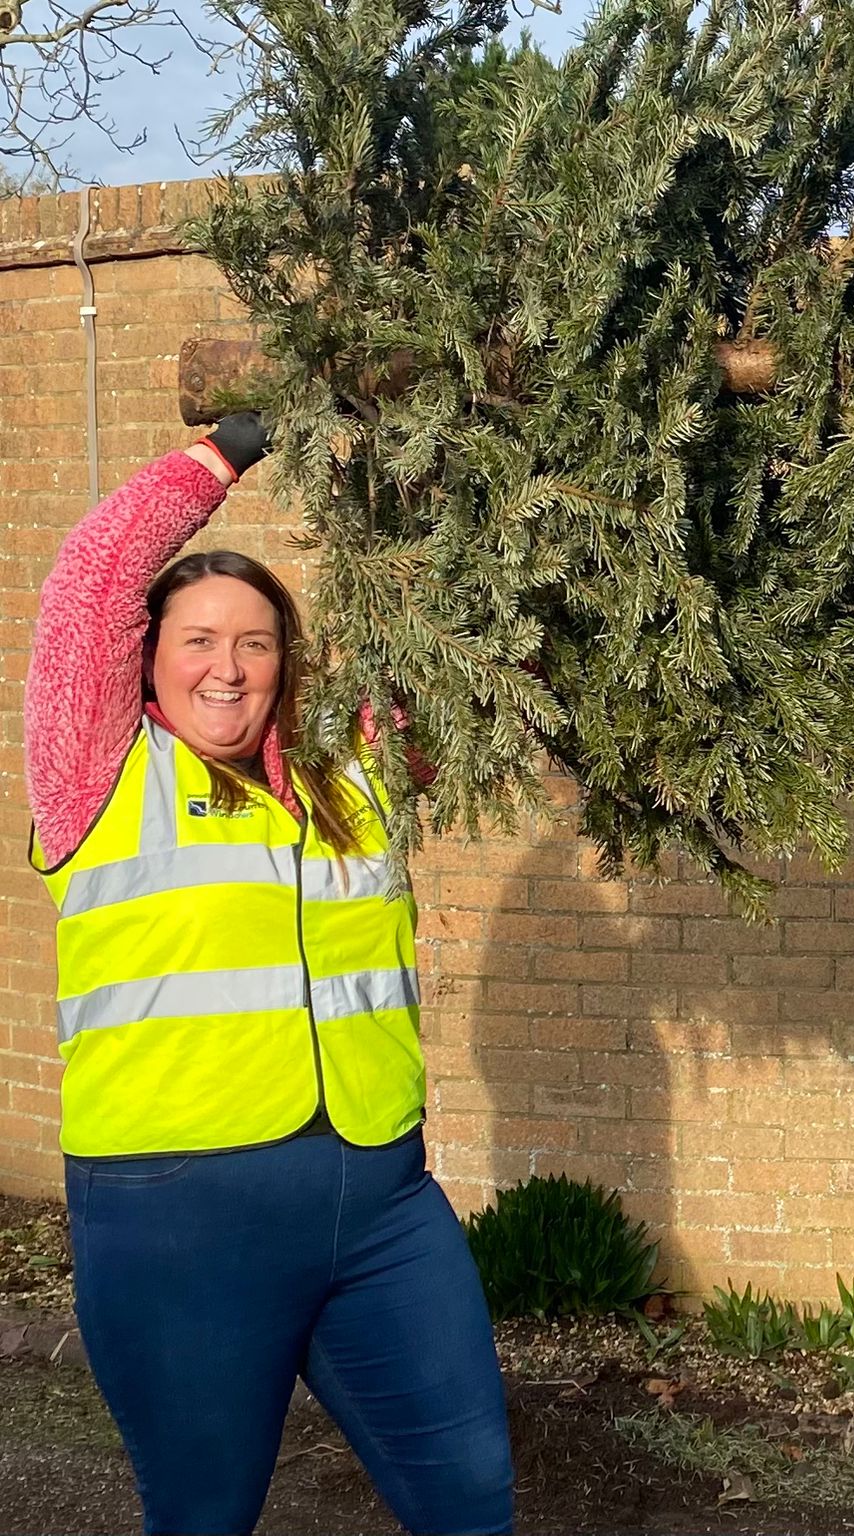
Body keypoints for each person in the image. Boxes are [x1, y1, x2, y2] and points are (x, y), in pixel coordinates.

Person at [24, 416, 515, 1536]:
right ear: (148, 658)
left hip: (383, 1209)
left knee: (472, 1499)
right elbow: (94, 581)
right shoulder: (98, 774)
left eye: (256, 641)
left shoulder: (353, 775)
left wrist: (474, 441)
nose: (227, 666)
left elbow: (487, 658)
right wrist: (236, 441)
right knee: (204, 1516)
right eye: (196, 639)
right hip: (176, 1229)